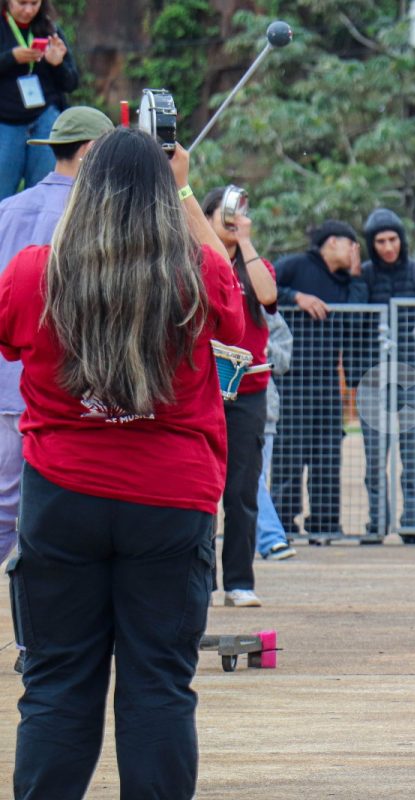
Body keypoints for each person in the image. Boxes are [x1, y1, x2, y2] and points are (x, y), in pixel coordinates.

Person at [0, 129, 243, 797]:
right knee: (159, 683)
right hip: (170, 499)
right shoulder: (195, 275)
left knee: (56, 682)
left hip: (62, 496)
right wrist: (187, 187)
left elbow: (12, 338)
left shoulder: (33, 272)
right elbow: (236, 316)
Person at [0, 105, 110, 566]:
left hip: (8, 378)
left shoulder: (7, 209)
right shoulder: (102, 217)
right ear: (88, 152)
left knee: (5, 507)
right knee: (68, 511)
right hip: (70, 388)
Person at [201, 186, 279, 606]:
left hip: (247, 391)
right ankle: (202, 582)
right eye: (222, 217)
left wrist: (244, 240)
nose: (231, 224)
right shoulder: (197, 263)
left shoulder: (254, 265)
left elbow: (268, 296)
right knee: (199, 490)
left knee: (241, 490)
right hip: (201, 390)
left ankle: (238, 581)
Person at [355, 208, 415, 545]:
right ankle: (376, 523)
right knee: (375, 460)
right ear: (371, 244)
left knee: (413, 458)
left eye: (393, 239)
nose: (388, 247)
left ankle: (411, 524)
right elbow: (352, 330)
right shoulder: (362, 276)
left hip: (414, 382)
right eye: (380, 241)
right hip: (373, 382)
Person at [272, 220, 366, 545]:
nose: (355, 250)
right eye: (350, 243)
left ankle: (325, 524)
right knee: (288, 453)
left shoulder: (345, 281)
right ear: (330, 242)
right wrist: (295, 296)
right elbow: (262, 288)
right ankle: (282, 523)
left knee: (327, 452)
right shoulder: (295, 266)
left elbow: (356, 318)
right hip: (291, 378)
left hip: (327, 379)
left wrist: (355, 276)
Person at [1, 0, 78, 199]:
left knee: (45, 192)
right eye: (22, 3)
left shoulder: (49, 28)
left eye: (34, 3)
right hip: (5, 122)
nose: (28, 10)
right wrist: (11, 58)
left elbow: (71, 82)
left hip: (44, 119)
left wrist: (57, 63)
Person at [254, 310, 298, 561]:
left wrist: (262, 345)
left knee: (254, 478)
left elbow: (283, 361)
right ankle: (269, 538)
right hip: (209, 404)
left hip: (260, 408)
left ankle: (268, 538)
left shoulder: (264, 310)